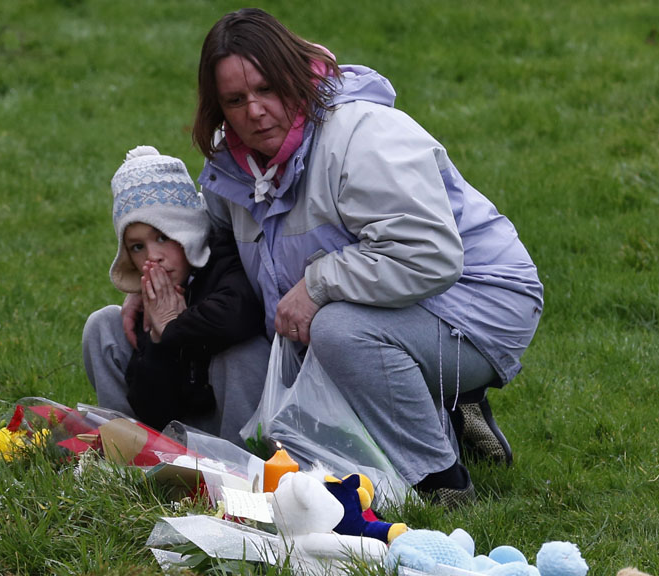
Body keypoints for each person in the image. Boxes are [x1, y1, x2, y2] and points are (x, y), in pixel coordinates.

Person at [190, 8, 543, 507]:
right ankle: (442, 399)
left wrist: (317, 284)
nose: (254, 111)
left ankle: (442, 481)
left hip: (479, 301)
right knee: (323, 333)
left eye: (267, 89)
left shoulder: (359, 136)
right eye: (235, 100)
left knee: (340, 331)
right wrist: (151, 277)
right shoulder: (235, 165)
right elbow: (212, 239)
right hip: (395, 307)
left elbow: (430, 257)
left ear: (295, 77)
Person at [82, 146, 267, 436]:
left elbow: (240, 314)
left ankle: (243, 469)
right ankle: (127, 451)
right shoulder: (151, 296)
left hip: (231, 430)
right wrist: (157, 341)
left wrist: (173, 326)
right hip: (179, 430)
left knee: (244, 351)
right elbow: (153, 409)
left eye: (163, 236)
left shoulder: (221, 258)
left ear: (187, 230)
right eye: (137, 247)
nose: (152, 256)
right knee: (102, 323)